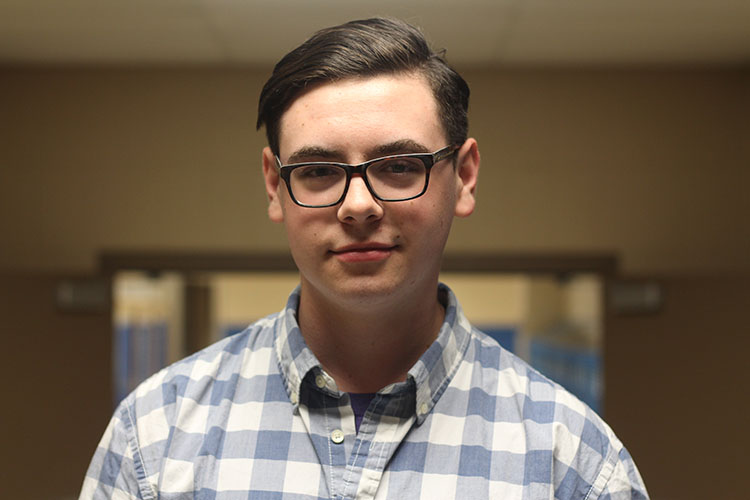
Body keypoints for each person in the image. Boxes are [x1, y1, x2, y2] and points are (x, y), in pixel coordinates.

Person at [80, 18, 648, 499]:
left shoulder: (572, 461)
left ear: (465, 177)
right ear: (275, 187)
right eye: (319, 172)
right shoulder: (155, 433)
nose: (359, 206)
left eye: (399, 166)